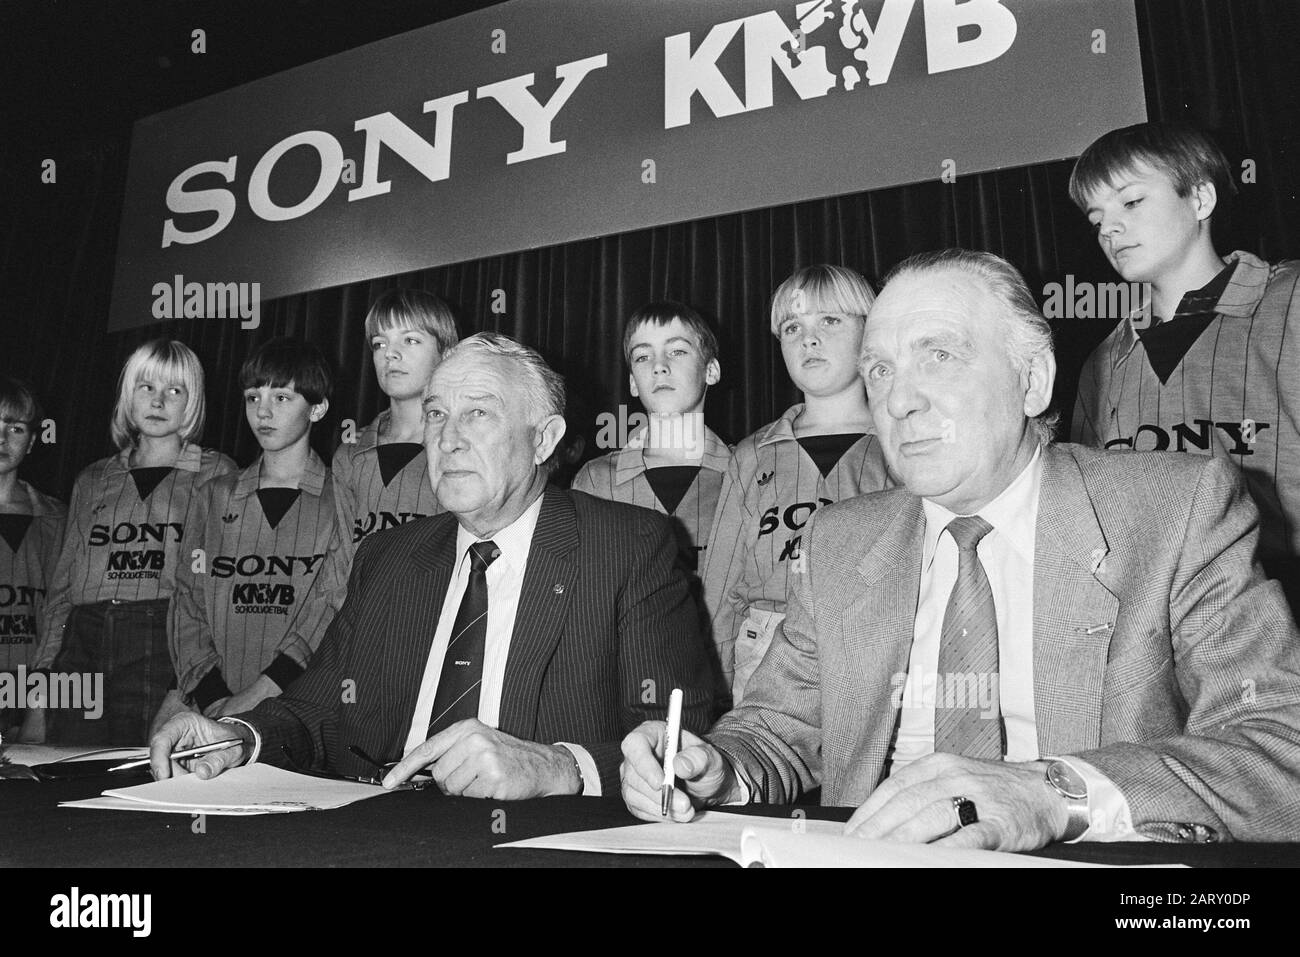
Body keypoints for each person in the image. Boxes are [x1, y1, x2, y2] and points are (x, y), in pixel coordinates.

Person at [621, 250, 1300, 848]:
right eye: (879, 369)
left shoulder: (1175, 510)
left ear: (1032, 380)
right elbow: (776, 732)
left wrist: (1051, 793)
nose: (899, 400)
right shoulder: (838, 540)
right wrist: (714, 767)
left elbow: (1278, 750)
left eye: (938, 356)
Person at [151, 332, 714, 799]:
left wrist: (559, 768)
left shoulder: (629, 546)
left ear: (544, 440)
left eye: (478, 414)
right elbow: (315, 709)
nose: (448, 439)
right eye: (437, 414)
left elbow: (674, 736)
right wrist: (237, 736)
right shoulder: (390, 556)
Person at [1068, 121, 1300, 611]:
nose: (1109, 229)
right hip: (1162, 622)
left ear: (1200, 201)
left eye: (1131, 202)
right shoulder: (1103, 362)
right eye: (1096, 219)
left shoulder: (1289, 303)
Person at [25, 340, 235, 744]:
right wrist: (40, 692)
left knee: (142, 775)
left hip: (163, 640)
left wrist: (189, 685)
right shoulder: (93, 478)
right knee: (66, 777)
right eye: (146, 387)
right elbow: (61, 593)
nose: (158, 401)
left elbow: (217, 592)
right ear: (128, 395)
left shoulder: (215, 472)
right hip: (82, 641)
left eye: (175, 390)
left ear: (193, 401)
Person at [701, 265, 891, 706]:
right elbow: (720, 589)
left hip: (876, 639)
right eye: (792, 327)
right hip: (766, 646)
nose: (809, 339)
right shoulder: (752, 454)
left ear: (870, 330)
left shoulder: (899, 444)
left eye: (830, 320)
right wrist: (711, 694)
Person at [264, 290, 458, 708]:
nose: (391, 355)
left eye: (410, 340)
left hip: (438, 652)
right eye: (379, 344)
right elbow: (336, 576)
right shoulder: (352, 455)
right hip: (359, 651)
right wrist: (280, 674)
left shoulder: (459, 448)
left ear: (446, 352)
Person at [164, 338, 335, 728]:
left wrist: (257, 695)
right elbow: (187, 605)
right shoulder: (214, 495)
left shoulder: (339, 499)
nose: (263, 411)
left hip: (303, 709)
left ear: (318, 408)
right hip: (214, 709)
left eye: (282, 398)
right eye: (253, 397)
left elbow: (329, 612)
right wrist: (214, 698)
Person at [571, 301, 730, 664]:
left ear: (711, 370)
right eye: (643, 357)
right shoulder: (596, 482)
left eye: (677, 350)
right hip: (624, 684)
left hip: (731, 690)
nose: (659, 366)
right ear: (631, 381)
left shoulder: (746, 474)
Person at [0, 378, 66, 739]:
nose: (1, 438)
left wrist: (40, 709)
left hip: (34, 699)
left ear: (32, 440)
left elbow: (65, 621)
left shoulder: (59, 519)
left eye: (15, 427)